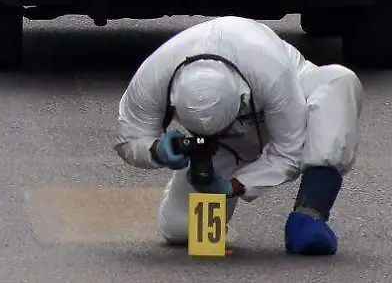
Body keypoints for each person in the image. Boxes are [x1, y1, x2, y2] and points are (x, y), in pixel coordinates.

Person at [115, 16, 361, 256]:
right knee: (182, 229)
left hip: (292, 104)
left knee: (338, 84)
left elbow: (290, 150)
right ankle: (207, 164)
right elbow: (129, 137)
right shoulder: (154, 75)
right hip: (226, 145)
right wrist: (155, 150)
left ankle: (309, 216)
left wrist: (237, 185)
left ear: (242, 97)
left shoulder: (270, 70)